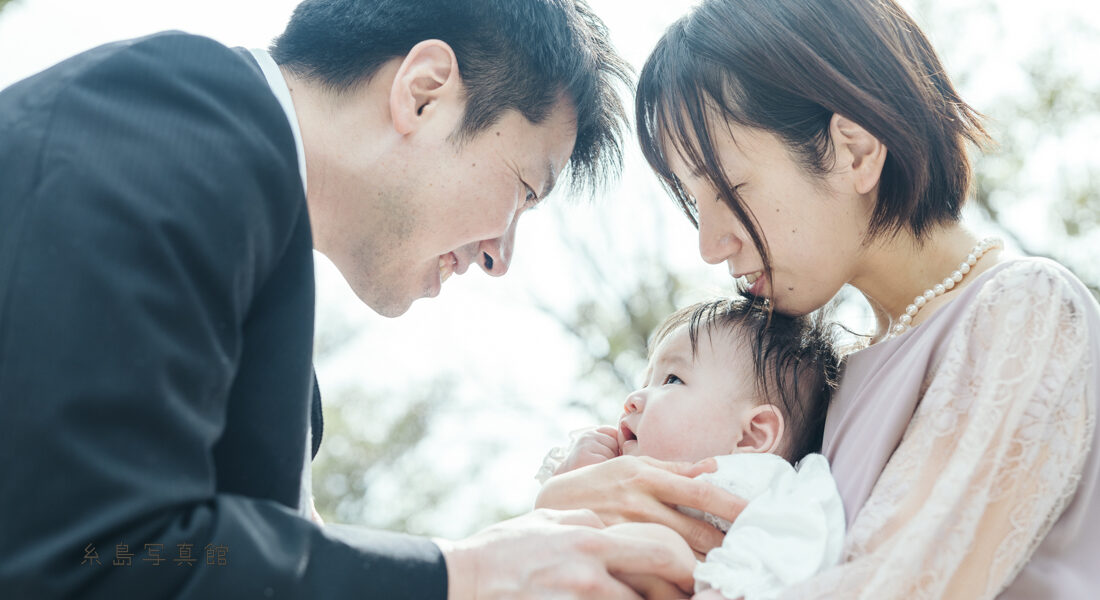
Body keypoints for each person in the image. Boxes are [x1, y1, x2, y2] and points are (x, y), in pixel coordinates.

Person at [0, 1, 736, 598]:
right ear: (424, 92)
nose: (498, 256)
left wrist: (537, 543)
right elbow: (95, 553)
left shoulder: (252, 271)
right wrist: (466, 571)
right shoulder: (167, 123)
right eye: (523, 191)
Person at [535, 0, 1100, 597]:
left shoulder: (1027, 311)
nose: (709, 244)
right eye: (694, 200)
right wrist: (567, 505)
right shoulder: (825, 384)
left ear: (853, 150)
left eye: (728, 188)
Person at [539, 297, 845, 600]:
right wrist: (572, 480)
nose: (634, 397)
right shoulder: (612, 482)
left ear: (750, 436)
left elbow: (794, 544)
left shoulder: (758, 487)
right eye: (647, 381)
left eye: (672, 380)